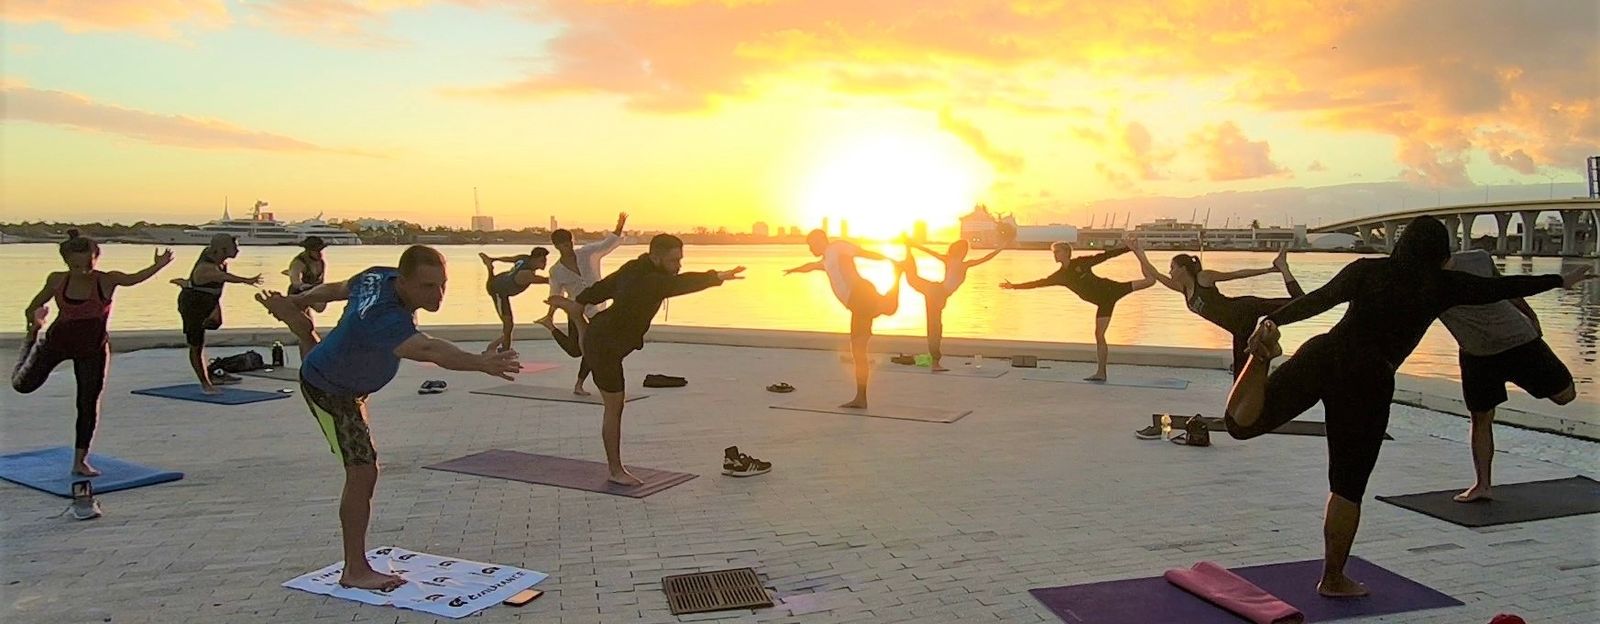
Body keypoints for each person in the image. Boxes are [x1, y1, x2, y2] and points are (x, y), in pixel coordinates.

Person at [1222, 216, 1591, 598]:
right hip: (1368, 379)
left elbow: (1316, 302)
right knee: (1346, 487)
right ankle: (1333, 579)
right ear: (1442, 257)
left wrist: (1272, 321)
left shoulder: (1365, 269)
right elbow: (1500, 288)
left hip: (1326, 352)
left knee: (1240, 425)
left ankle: (1259, 358)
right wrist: (1559, 280)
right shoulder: (1441, 285)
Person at [255, 246, 521, 591]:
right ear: (405, 281)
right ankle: (354, 569)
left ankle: (302, 328)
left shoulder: (376, 276)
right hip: (333, 391)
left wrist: (300, 298)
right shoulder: (385, 317)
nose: (437, 294)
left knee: (320, 353)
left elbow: (334, 290)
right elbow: (429, 350)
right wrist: (480, 362)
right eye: (427, 287)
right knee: (363, 472)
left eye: (442, 284)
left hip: (334, 368)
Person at [546, 234, 745, 486]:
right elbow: (681, 284)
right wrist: (715, 277)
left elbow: (602, 288)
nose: (678, 266)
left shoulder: (633, 268)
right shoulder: (651, 281)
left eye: (680, 260)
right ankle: (615, 471)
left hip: (602, 334)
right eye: (673, 261)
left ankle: (575, 314)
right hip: (605, 347)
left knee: (591, 358)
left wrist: (582, 300)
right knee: (614, 408)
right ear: (655, 257)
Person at [13, 230, 174, 480]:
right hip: (57, 342)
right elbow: (31, 307)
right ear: (66, 262)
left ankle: (80, 460)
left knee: (87, 404)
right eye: (76, 265)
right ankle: (30, 342)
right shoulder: (57, 280)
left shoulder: (107, 280)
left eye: (88, 263)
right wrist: (35, 319)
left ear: (96, 257)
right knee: (22, 385)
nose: (83, 269)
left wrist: (158, 265)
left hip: (92, 349)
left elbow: (134, 279)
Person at [1437, 249, 1577, 503]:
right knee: (1480, 417)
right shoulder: (1423, 282)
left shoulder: (1478, 258)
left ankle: (1522, 378)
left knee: (1566, 396)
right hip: (1476, 353)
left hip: (1518, 341)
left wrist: (1531, 315)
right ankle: (1482, 485)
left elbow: (1505, 287)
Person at [1132, 240, 1305, 378]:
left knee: (1301, 303)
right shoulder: (1183, 290)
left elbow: (1236, 274)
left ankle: (1282, 267)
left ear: (1183, 269)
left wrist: (1269, 270)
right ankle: (1237, 415)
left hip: (1245, 308)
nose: (1170, 272)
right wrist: (1138, 252)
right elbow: (1155, 274)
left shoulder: (1203, 278)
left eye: (1172, 268)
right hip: (1239, 329)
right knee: (1240, 372)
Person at [1000, 241, 1156, 381]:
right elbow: (1038, 283)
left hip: (1112, 289)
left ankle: (1140, 254)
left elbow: (1104, 256)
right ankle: (1101, 373)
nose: (1055, 255)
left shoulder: (1082, 262)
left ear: (1066, 253)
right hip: (1103, 302)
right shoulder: (1060, 276)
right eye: (1054, 252)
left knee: (1150, 281)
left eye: (1057, 252)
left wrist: (1128, 248)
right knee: (1099, 335)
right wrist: (1014, 286)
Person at [785, 229, 903, 408]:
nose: (810, 248)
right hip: (858, 301)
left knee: (858, 349)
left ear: (820, 240)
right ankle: (890, 297)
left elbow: (863, 253)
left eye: (811, 244)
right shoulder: (826, 260)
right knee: (860, 346)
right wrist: (795, 269)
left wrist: (889, 260)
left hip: (861, 295)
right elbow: (810, 266)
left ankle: (861, 398)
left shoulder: (838, 247)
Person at [537, 212, 628, 396]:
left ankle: (579, 385)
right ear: (557, 247)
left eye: (569, 242)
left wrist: (619, 227)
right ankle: (550, 327)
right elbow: (556, 295)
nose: (568, 247)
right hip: (576, 311)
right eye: (563, 244)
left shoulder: (587, 254)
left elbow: (606, 245)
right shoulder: (556, 271)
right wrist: (550, 314)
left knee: (591, 347)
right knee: (574, 350)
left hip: (597, 311)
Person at [900, 237, 1004, 372]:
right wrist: (1002, 246)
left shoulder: (953, 261)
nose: (965, 252)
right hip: (938, 292)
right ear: (959, 251)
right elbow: (987, 257)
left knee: (913, 280)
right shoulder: (961, 263)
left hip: (937, 291)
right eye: (964, 250)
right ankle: (935, 363)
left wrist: (913, 244)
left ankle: (906, 252)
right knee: (935, 327)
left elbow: (929, 251)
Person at [175, 234, 262, 394]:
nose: (237, 250)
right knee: (196, 345)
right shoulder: (207, 267)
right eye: (234, 247)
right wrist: (247, 280)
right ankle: (206, 383)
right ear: (222, 249)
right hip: (192, 304)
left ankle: (210, 370)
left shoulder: (217, 257)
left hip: (209, 300)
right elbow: (223, 277)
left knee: (215, 323)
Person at [478, 247, 551, 353]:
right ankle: (504, 349)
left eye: (545, 261)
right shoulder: (526, 274)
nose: (545, 264)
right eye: (542, 261)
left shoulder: (523, 258)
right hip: (497, 290)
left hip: (500, 279)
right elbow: (547, 281)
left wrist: (495, 259)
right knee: (508, 324)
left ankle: (490, 265)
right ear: (534, 259)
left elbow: (510, 258)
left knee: (509, 324)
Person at [286, 236, 329, 313]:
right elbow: (296, 283)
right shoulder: (298, 263)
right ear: (308, 251)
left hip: (313, 290)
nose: (319, 253)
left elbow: (321, 281)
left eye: (320, 250)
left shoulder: (321, 262)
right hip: (298, 293)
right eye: (316, 250)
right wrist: (308, 289)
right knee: (302, 320)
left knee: (321, 306)